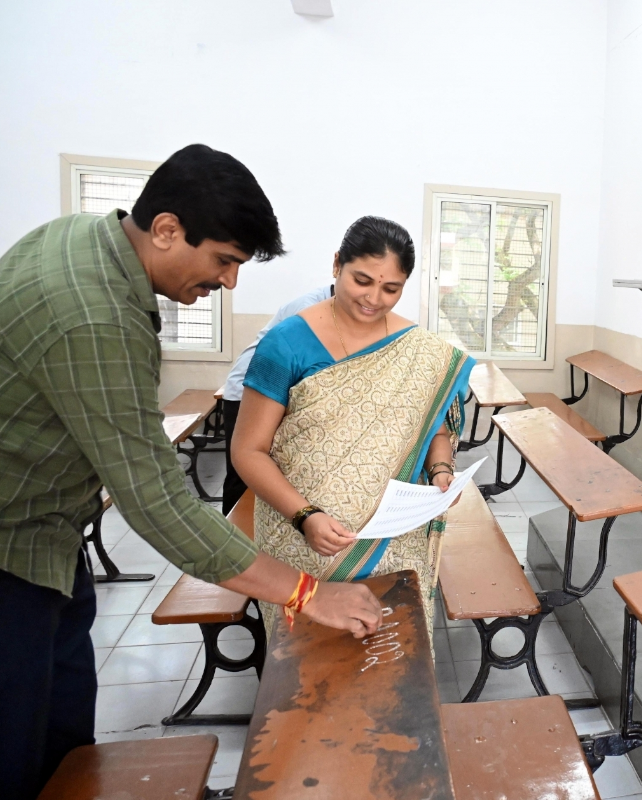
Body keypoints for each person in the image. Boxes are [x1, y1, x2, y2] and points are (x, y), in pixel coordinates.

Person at [0, 144, 384, 800]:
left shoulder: (81, 237)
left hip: (51, 542)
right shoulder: (92, 317)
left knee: (63, 741)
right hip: (12, 552)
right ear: (167, 230)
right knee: (17, 754)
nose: (230, 283)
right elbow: (155, 502)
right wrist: (308, 594)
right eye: (225, 261)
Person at [231, 216, 474, 637]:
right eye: (362, 280)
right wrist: (305, 515)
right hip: (302, 540)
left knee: (395, 666)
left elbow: (433, 427)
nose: (374, 298)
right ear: (336, 264)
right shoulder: (287, 342)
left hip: (395, 541)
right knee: (307, 676)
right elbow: (248, 450)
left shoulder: (420, 349)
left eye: (391, 288)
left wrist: (440, 471)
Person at [220, 284, 334, 514]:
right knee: (242, 472)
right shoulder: (309, 309)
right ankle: (231, 538)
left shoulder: (334, 308)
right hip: (247, 391)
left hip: (277, 391)